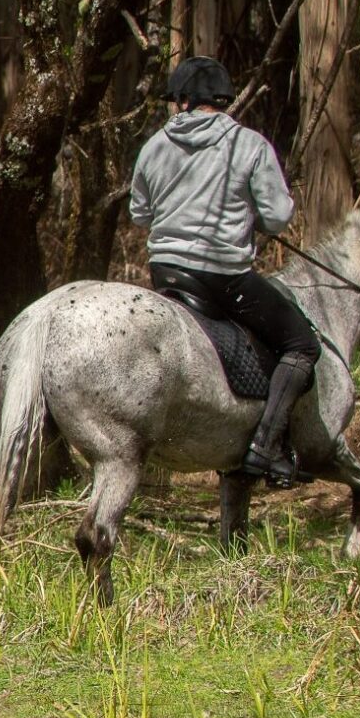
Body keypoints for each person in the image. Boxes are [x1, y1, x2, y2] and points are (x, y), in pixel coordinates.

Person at [129, 55, 322, 487]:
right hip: (223, 280)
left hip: (165, 274)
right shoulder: (249, 145)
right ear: (223, 101)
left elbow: (140, 213)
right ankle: (266, 447)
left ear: (182, 101)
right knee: (302, 344)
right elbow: (278, 216)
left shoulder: (154, 146)